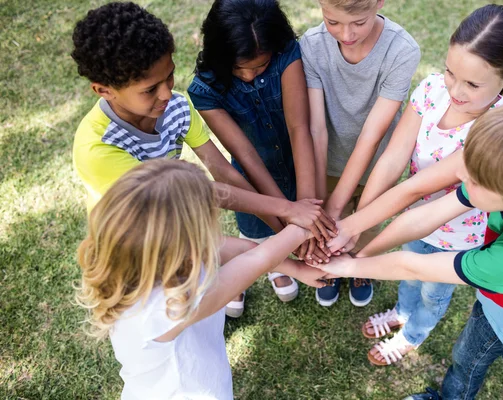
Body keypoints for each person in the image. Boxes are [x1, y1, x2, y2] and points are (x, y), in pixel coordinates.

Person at [317, 99, 503, 399]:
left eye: (475, 179)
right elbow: (424, 218)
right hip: (496, 307)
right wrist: (361, 253)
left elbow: (413, 266)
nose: (463, 176)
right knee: (464, 364)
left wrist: (347, 267)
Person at [71, 2, 336, 315]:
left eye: (169, 77)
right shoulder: (98, 149)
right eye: (150, 89)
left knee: (198, 310)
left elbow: (223, 171)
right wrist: (288, 213)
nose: (167, 94)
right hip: (134, 253)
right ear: (104, 90)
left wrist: (290, 229)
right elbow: (200, 194)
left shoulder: (176, 108)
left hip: (177, 230)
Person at [325, 4, 503, 365]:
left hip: (455, 235)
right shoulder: (432, 89)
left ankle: (413, 333)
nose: (456, 90)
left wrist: (356, 229)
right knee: (409, 271)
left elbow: (414, 188)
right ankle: (403, 312)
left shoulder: (493, 131)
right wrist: (361, 222)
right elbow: (392, 159)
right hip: (411, 219)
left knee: (433, 291)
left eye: (472, 83)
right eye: (451, 72)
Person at [76, 159, 330, 400]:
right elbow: (256, 260)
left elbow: (237, 250)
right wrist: (302, 228)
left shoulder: (140, 260)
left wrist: (296, 270)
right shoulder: (167, 307)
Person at [188, 0, 336, 316]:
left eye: (259, 66)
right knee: (255, 228)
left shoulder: (286, 53)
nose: (247, 75)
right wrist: (286, 229)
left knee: (293, 215)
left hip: (301, 165)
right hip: (250, 178)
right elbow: (245, 155)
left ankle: (274, 261)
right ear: (219, 54)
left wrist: (305, 212)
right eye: (238, 67)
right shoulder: (203, 89)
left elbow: (300, 129)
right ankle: (267, 259)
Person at [300, 0, 421, 307]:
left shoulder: (401, 50)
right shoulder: (311, 46)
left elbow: (371, 134)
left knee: (366, 225)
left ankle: (360, 266)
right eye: (333, 22)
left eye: (358, 23)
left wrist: (337, 207)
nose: (346, 34)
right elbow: (316, 129)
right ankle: (332, 264)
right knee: (331, 222)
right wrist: (323, 206)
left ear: (379, 3)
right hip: (328, 161)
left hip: (379, 164)